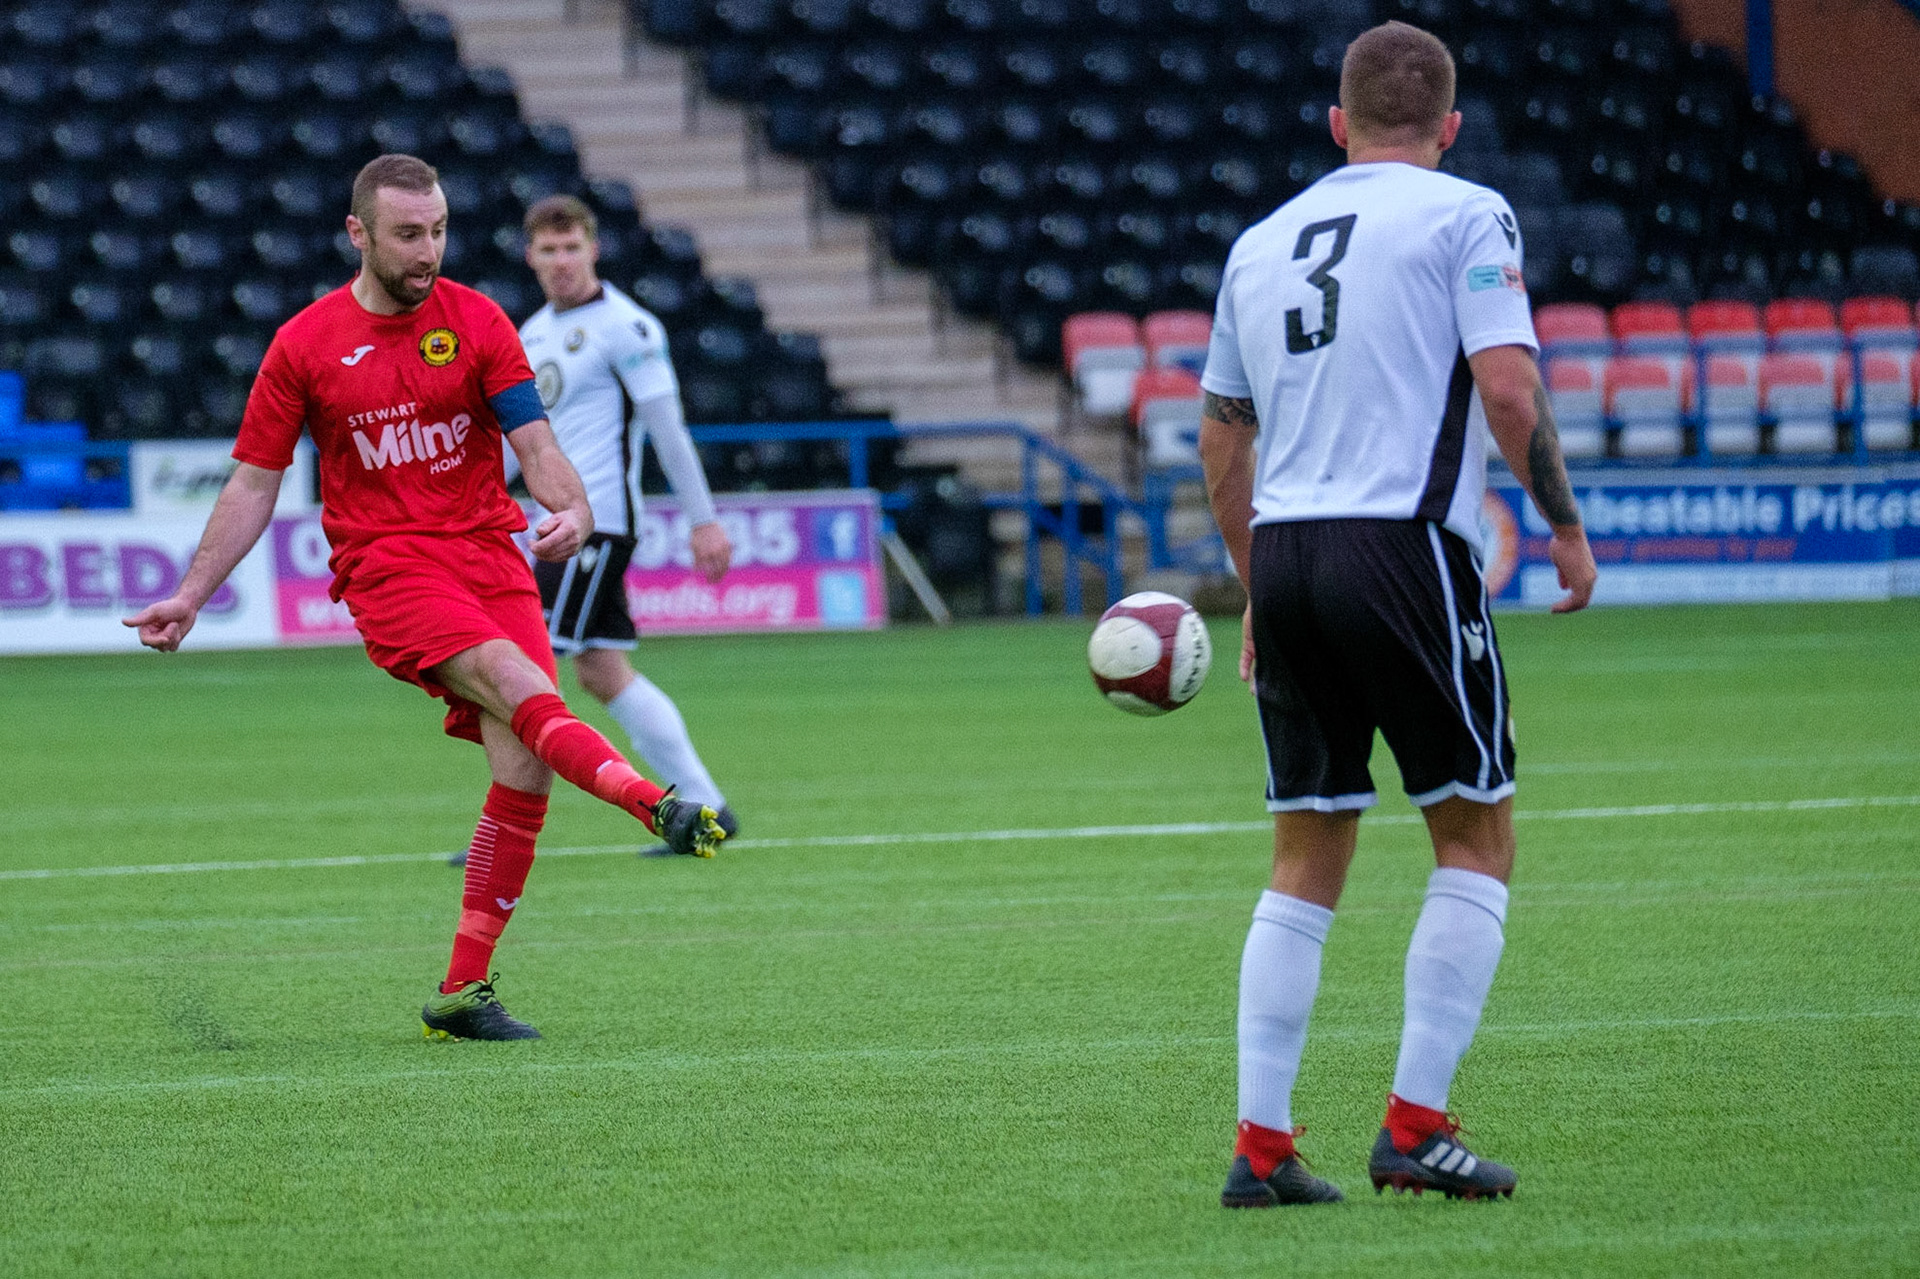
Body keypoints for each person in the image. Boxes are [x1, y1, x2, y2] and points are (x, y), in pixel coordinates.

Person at [123, 153, 728, 1043]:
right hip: (389, 568)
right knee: (517, 684)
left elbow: (536, 441)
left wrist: (574, 504)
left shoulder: (479, 321)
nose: (428, 250)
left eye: (439, 230)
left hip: (490, 556)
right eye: (409, 234)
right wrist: (191, 592)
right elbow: (254, 483)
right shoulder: (304, 344)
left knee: (524, 760)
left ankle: (460, 990)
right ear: (359, 234)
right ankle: (654, 802)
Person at [1197, 23, 1598, 1207]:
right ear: (1451, 127)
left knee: (1307, 848)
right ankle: (1414, 1128)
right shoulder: (1468, 214)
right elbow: (1510, 383)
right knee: (1476, 832)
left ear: (1338, 122)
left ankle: (1262, 1150)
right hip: (1405, 547)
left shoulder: (1260, 243)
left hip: (1290, 550)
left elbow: (1222, 435)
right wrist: (1565, 526)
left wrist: (1256, 586)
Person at [513, 193, 738, 848]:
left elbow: (668, 428)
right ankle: (708, 802)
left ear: (594, 249)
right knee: (601, 670)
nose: (560, 261)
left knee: (522, 667)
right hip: (557, 523)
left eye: (571, 247)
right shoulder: (531, 333)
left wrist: (704, 520)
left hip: (598, 521)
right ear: (531, 256)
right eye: (548, 250)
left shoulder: (626, 326)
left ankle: (508, 824)